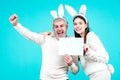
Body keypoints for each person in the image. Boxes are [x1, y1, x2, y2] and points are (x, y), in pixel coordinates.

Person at [9, 14, 79, 80]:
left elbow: (75, 71)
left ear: (66, 27)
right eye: (56, 26)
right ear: (53, 28)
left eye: (61, 26)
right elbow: (29, 35)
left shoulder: (72, 43)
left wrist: (71, 64)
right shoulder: (46, 39)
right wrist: (16, 25)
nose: (59, 29)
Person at [65, 4, 114, 80]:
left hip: (100, 74)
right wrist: (70, 63)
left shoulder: (90, 36)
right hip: (93, 76)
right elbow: (63, 38)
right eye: (75, 24)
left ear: (86, 25)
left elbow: (105, 57)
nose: (77, 26)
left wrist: (89, 52)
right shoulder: (78, 41)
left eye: (80, 23)